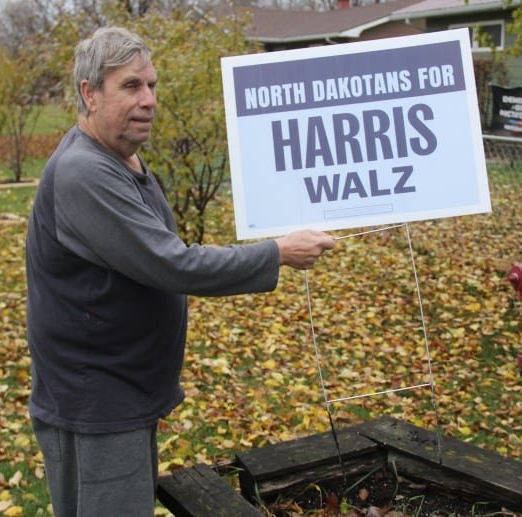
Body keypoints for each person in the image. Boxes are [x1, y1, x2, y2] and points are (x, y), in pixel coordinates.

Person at [25, 26, 335, 516]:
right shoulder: (84, 172)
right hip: (96, 402)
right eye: (130, 86)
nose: (149, 100)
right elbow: (171, 262)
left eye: (152, 85)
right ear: (89, 93)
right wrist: (276, 252)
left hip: (121, 390)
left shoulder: (118, 155)